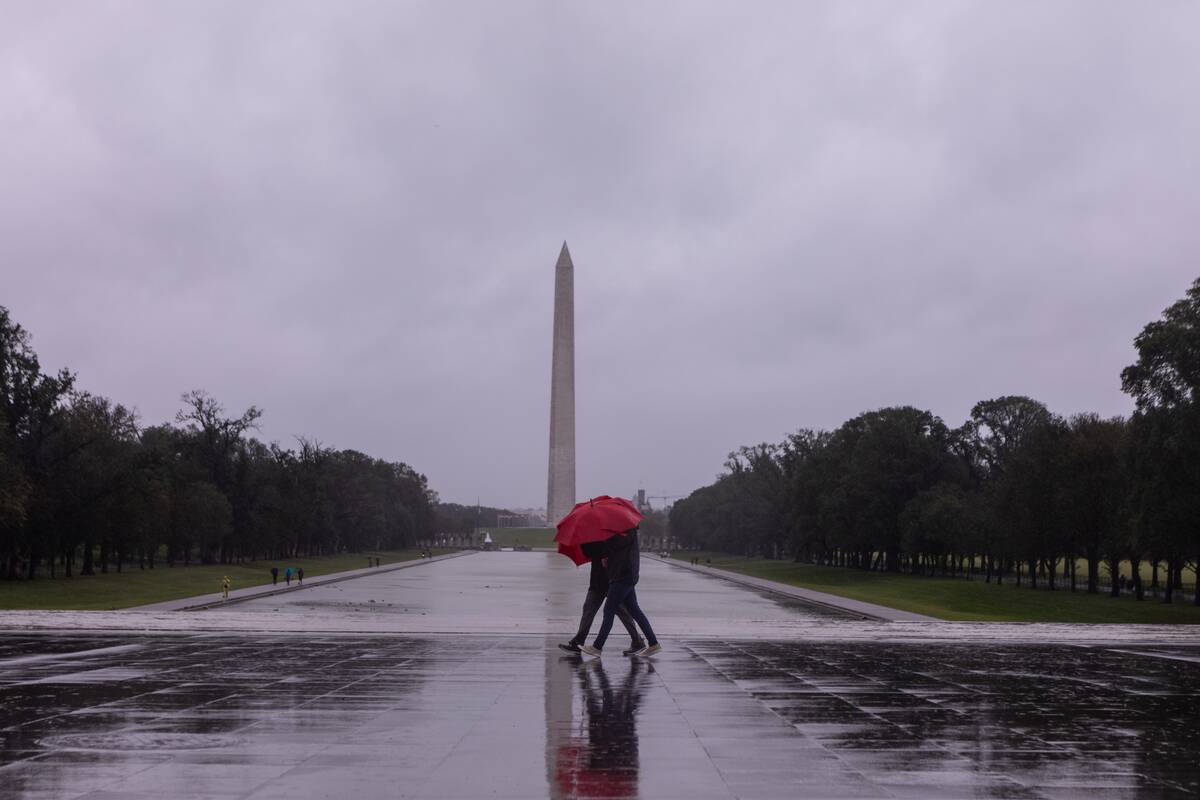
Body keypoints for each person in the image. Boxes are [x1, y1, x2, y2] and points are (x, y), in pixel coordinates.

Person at [579, 528, 661, 658]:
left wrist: (603, 539)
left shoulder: (626, 531)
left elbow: (616, 545)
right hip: (624, 575)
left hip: (622, 576)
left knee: (609, 611)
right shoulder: (623, 531)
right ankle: (653, 643)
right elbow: (617, 551)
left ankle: (597, 647)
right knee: (635, 610)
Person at [559, 541, 645, 656]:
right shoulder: (592, 537)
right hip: (597, 581)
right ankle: (578, 642)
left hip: (613, 581)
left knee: (623, 613)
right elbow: (588, 553)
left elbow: (618, 553)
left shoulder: (613, 535)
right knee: (588, 611)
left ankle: (637, 641)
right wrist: (585, 541)